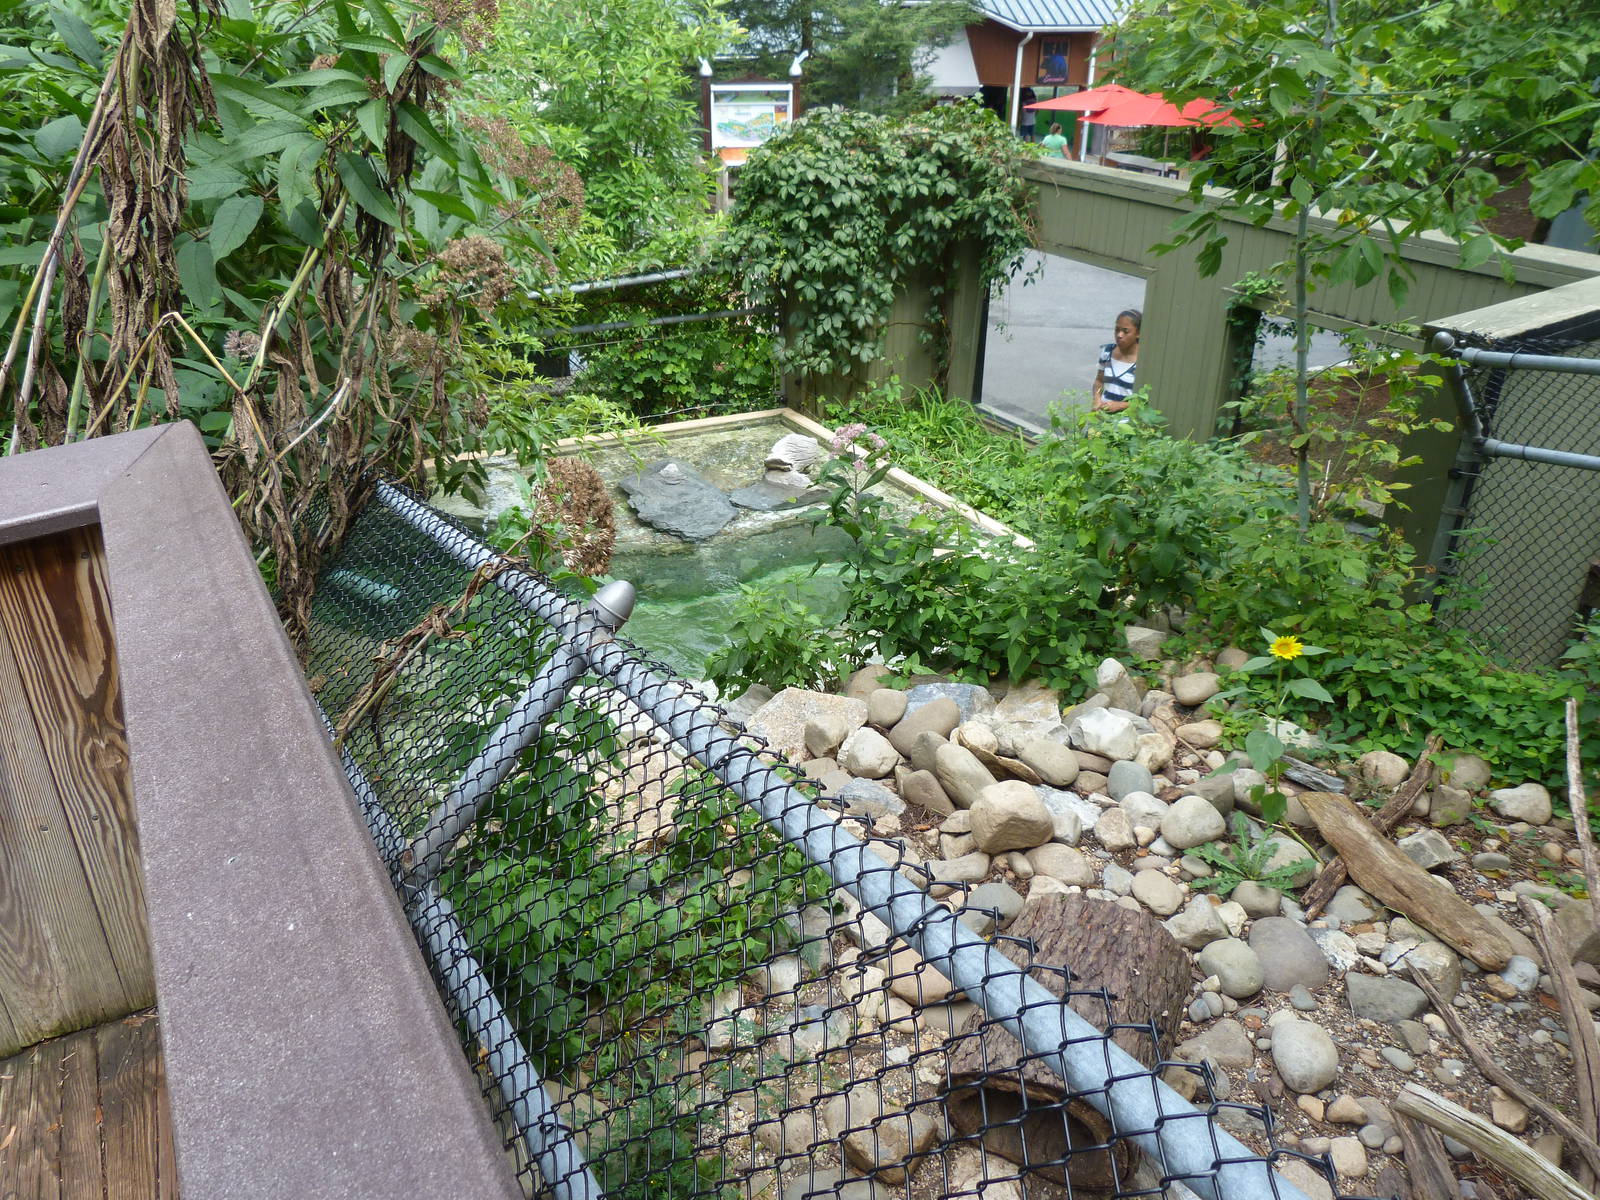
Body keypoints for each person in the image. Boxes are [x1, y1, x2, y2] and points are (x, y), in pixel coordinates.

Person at [1092, 309, 1141, 412]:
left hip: (1127, 424)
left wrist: (1120, 405)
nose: (1119, 335)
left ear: (1138, 333)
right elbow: (1099, 381)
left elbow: (1144, 400)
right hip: (1102, 420)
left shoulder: (1143, 361)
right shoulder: (1107, 352)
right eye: (1117, 330)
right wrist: (1097, 399)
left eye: (1125, 331)